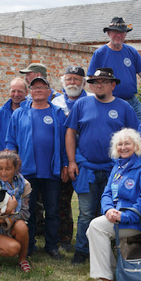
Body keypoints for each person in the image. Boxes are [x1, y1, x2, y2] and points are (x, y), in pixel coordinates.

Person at [65, 68, 140, 265]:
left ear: (113, 85)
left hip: (115, 171)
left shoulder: (124, 107)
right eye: (95, 82)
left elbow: (135, 137)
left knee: (108, 213)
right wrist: (72, 161)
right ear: (91, 85)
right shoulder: (82, 104)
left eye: (104, 82)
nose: (99, 85)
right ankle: (81, 251)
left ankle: (105, 251)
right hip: (86, 169)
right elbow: (70, 133)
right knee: (86, 213)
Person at [85, 128, 141, 281]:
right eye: (119, 144)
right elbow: (107, 193)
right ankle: (113, 271)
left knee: (96, 227)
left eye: (127, 143)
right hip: (119, 215)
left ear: (137, 146)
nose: (123, 147)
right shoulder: (118, 166)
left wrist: (124, 217)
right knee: (94, 229)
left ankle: (106, 279)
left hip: (139, 220)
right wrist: (108, 210)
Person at [6, 76, 68, 259]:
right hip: (26, 172)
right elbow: (10, 141)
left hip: (51, 171)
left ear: (49, 91)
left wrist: (65, 163)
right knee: (28, 211)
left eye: (42, 87)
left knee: (53, 210)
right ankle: (29, 245)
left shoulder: (58, 113)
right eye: (34, 87)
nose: (38, 90)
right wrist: (11, 165)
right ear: (30, 92)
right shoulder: (19, 113)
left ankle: (52, 245)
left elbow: (65, 142)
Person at [88, 17, 141, 123]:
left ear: (125, 34)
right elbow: (91, 82)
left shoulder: (132, 52)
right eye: (115, 32)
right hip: (110, 101)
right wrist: (101, 101)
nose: (118, 35)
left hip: (132, 101)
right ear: (108, 33)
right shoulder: (100, 53)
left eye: (122, 32)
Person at [51, 65, 89, 251]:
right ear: (63, 82)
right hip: (64, 161)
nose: (72, 82)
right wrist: (65, 163)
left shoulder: (92, 100)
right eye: (69, 79)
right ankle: (64, 239)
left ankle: (90, 240)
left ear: (83, 82)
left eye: (76, 79)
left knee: (88, 205)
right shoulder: (56, 103)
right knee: (62, 202)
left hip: (87, 160)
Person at [0, 78, 28, 155]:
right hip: (7, 160)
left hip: (26, 159)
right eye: (13, 91)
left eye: (19, 91)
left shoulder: (32, 111)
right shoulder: (0, 113)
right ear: (9, 92)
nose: (16, 94)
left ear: (26, 92)